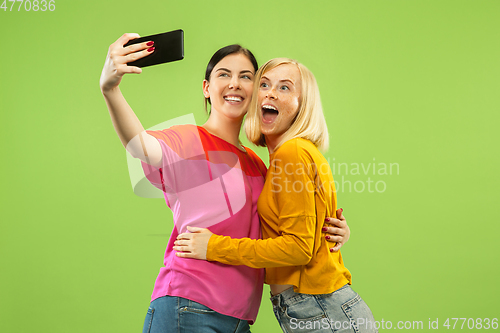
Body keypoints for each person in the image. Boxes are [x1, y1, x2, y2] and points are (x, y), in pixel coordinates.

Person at [100, 34, 350, 333]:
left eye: (246, 77)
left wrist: (331, 232)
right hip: (188, 304)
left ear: (256, 92)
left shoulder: (259, 165)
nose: (234, 83)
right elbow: (140, 146)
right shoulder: (187, 140)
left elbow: (284, 234)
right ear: (207, 88)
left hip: (239, 319)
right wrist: (110, 89)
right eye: (223, 74)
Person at [174, 58, 377, 333]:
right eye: (265, 84)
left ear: (301, 105)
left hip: (321, 309)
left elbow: (297, 248)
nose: (270, 93)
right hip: (317, 308)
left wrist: (214, 247)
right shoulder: (284, 159)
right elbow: (306, 232)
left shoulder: (291, 154)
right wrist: (338, 233)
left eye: (284, 88)